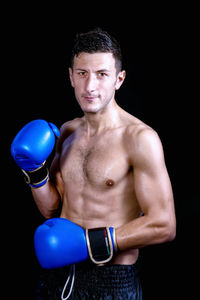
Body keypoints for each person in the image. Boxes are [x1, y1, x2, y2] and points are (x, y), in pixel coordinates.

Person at [11, 28, 176, 299]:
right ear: (71, 77)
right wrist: (35, 173)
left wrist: (89, 244)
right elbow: (53, 211)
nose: (90, 86)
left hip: (110, 279)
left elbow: (164, 224)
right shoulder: (67, 131)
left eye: (102, 74)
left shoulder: (139, 138)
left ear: (119, 79)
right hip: (59, 273)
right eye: (82, 73)